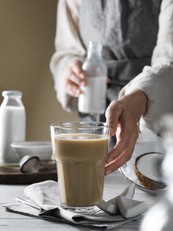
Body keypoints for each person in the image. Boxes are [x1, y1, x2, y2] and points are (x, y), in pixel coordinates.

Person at [50, 0, 173, 173]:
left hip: (157, 118)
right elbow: (67, 50)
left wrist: (139, 97)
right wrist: (69, 70)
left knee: (149, 183)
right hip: (94, 120)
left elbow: (169, 60)